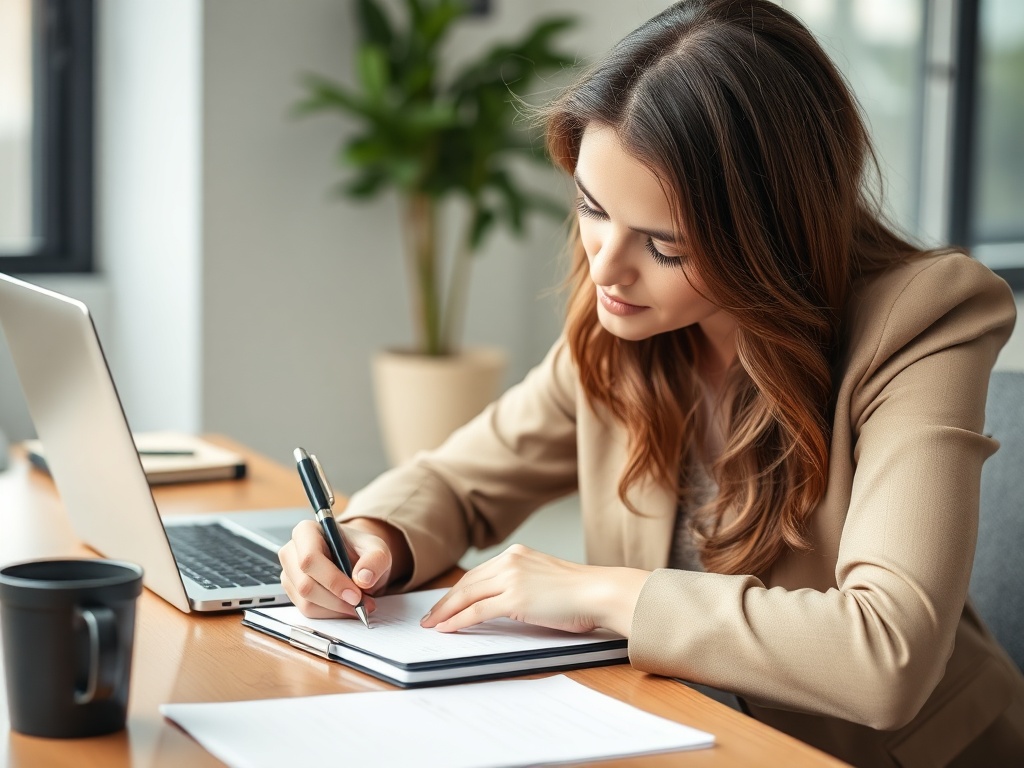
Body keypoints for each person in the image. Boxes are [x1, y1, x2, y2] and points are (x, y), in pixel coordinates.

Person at [279, 1, 1024, 764]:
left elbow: (887, 655)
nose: (605, 266)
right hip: (681, 737)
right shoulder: (626, 324)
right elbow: (459, 481)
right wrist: (373, 538)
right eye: (591, 208)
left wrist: (606, 594)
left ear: (769, 237)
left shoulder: (921, 321)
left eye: (664, 246)